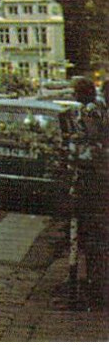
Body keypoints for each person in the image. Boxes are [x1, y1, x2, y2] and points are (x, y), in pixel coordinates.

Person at [71, 75, 107, 310]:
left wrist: (77, 145)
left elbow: (93, 139)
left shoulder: (91, 111)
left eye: (75, 92)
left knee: (95, 239)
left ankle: (96, 289)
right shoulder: (99, 107)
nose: (73, 96)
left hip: (96, 177)